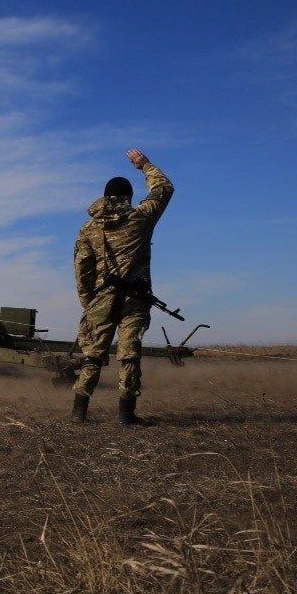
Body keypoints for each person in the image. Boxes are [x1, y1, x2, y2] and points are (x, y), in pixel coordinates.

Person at [70, 148, 174, 425]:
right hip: (134, 300)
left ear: (105, 197)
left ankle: (79, 411)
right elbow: (163, 188)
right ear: (128, 197)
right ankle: (126, 414)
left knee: (93, 355)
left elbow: (82, 269)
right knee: (129, 355)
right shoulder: (140, 218)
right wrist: (144, 165)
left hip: (100, 300)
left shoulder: (88, 229)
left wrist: (87, 301)